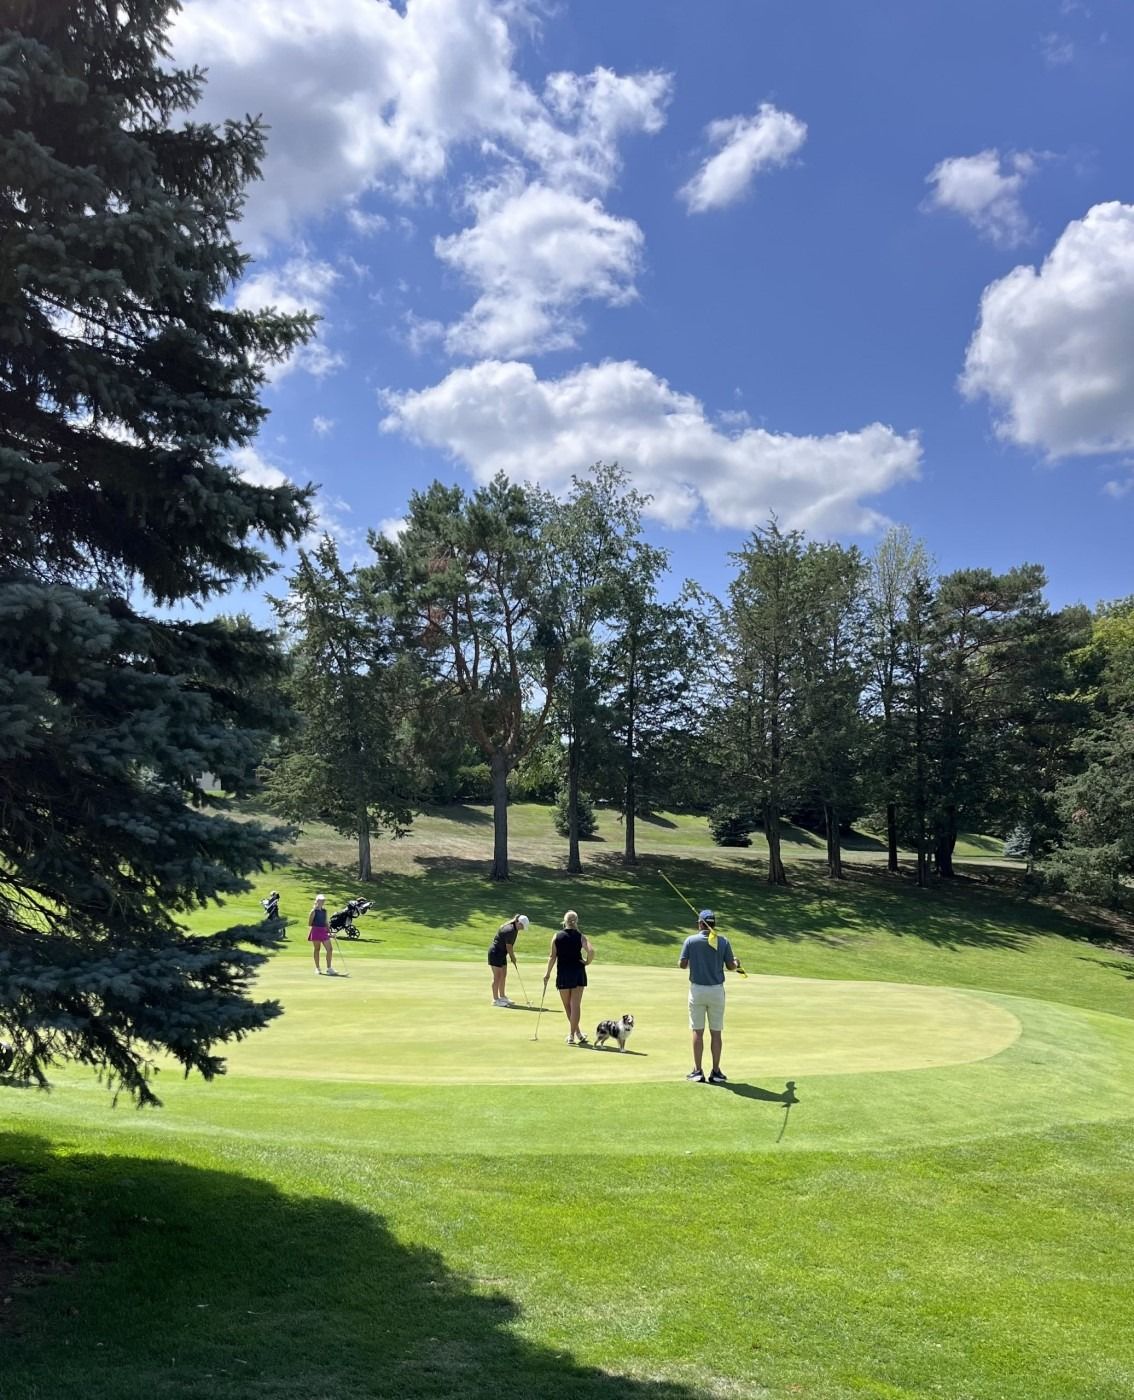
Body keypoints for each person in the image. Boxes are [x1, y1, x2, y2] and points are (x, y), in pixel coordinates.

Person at [679, 909, 743, 1082]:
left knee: (697, 1032)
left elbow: (682, 965)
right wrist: (737, 962)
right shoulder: (723, 941)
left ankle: (698, 1071)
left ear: (700, 923)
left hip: (697, 991)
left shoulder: (690, 941)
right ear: (714, 924)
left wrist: (695, 957)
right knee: (716, 1033)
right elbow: (731, 966)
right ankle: (715, 1072)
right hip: (716, 991)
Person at [543, 910, 594, 1045]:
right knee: (575, 1005)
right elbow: (591, 951)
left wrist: (547, 973)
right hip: (577, 972)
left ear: (564, 921)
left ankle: (572, 1035)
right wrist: (587, 962)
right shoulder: (580, 936)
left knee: (568, 1006)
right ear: (576, 922)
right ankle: (576, 1033)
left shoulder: (557, 936)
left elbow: (552, 957)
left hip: (563, 973)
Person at [488, 913, 529, 1006]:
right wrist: (513, 957)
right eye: (522, 926)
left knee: (503, 975)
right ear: (519, 923)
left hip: (501, 954)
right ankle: (495, 1000)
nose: (522, 929)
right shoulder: (510, 930)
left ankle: (502, 997)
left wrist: (511, 957)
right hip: (495, 953)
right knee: (497, 977)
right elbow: (509, 946)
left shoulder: (515, 929)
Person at [308, 893, 334, 975]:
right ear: (317, 901)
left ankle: (329, 968)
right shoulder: (313, 911)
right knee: (317, 949)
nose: (322, 902)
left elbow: (326, 922)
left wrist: (330, 932)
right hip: (315, 930)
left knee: (330, 949)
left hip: (323, 930)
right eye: (321, 900)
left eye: (323, 901)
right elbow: (310, 923)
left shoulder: (324, 911)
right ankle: (317, 968)